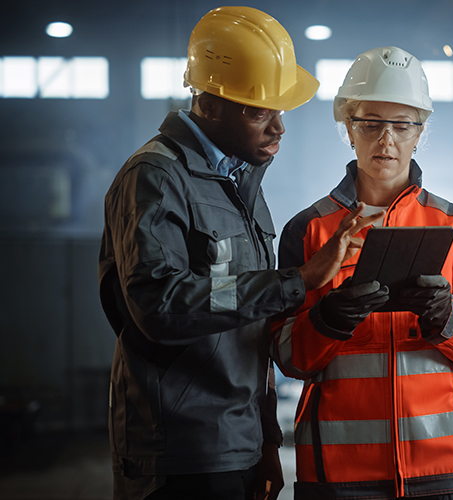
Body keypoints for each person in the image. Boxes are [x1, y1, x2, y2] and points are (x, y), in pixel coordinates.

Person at [98, 7, 383, 500]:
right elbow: (159, 305)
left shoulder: (239, 184)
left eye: (280, 110)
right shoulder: (156, 178)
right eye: (258, 111)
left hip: (238, 444)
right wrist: (296, 281)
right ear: (208, 103)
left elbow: (247, 328)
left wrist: (267, 440)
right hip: (180, 454)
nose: (278, 128)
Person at [271, 46, 453, 500]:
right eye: (371, 123)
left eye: (402, 126)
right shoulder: (309, 230)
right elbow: (287, 355)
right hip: (340, 474)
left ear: (420, 133)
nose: (387, 139)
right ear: (348, 128)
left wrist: (447, 316)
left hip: (442, 469)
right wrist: (329, 320)